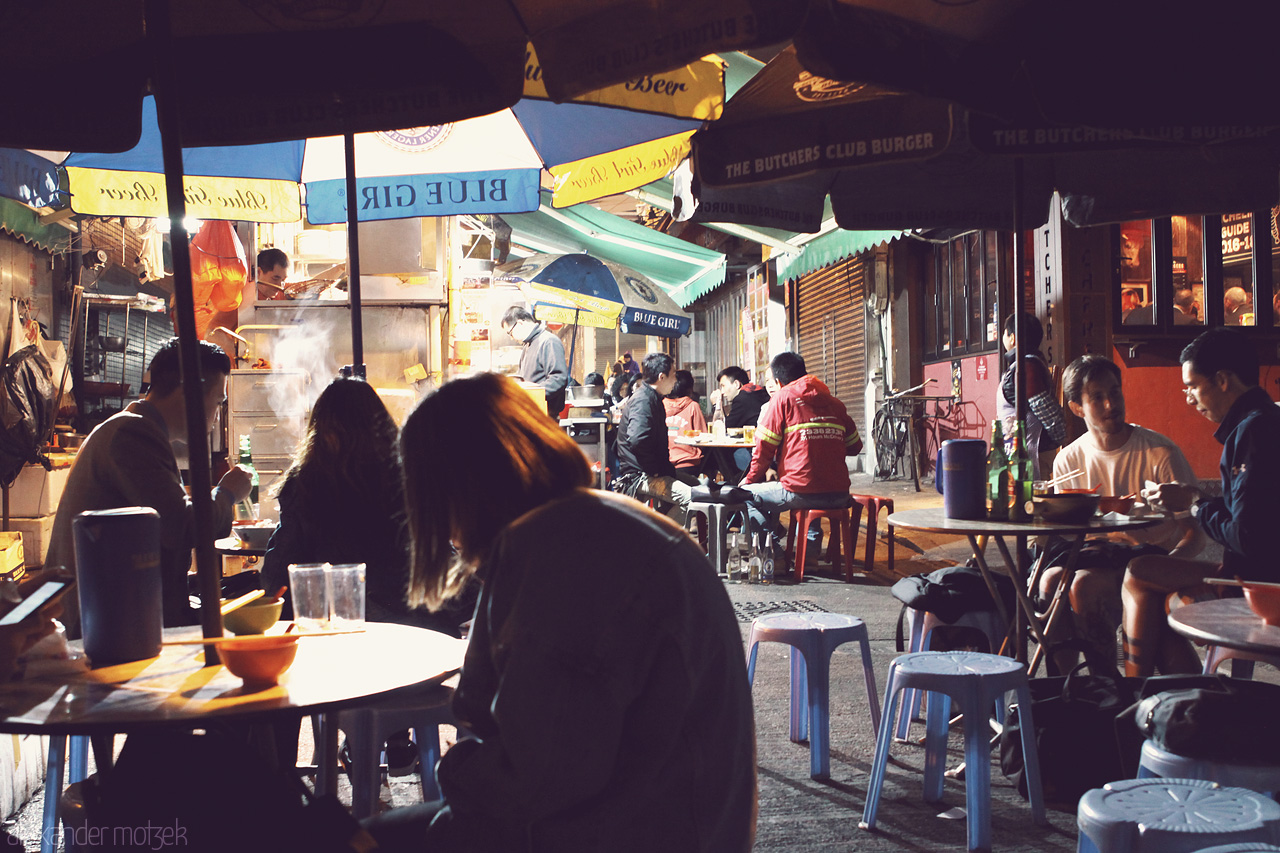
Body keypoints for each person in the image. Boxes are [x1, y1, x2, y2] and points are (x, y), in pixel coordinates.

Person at [365, 373, 756, 852]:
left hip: (634, 828)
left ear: (458, 488)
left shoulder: (566, 551)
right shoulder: (579, 521)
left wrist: (459, 767)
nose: (444, 531)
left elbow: (543, 775)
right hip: (656, 815)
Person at [46, 338, 253, 634]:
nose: (217, 413)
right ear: (188, 391)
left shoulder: (137, 428)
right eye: (218, 401)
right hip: (101, 625)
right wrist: (227, 492)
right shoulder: (132, 434)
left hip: (112, 613)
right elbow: (180, 526)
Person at [1122, 328, 1280, 676]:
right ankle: (1182, 695)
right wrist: (1201, 501)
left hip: (1261, 588)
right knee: (1154, 589)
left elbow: (1248, 538)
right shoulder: (1267, 420)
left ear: (1222, 380)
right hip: (1259, 576)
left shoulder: (1253, 431)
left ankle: (1140, 695)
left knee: (1139, 574)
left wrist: (1195, 502)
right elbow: (1254, 516)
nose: (1189, 398)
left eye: (1192, 386)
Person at [1037, 355, 1203, 670]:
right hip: (1091, 555)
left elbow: (1195, 534)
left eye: (1115, 392)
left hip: (1146, 561)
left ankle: (1106, 682)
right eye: (1097, 397)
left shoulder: (1160, 453)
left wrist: (1163, 567)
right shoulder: (1068, 461)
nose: (1111, 403)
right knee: (1049, 581)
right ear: (1077, 407)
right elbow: (1062, 533)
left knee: (1083, 585)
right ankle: (1062, 685)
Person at [741, 352, 862, 551]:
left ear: (778, 382)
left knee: (744, 495)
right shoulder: (835, 403)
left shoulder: (782, 399)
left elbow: (763, 450)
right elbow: (855, 447)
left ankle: (774, 556)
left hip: (800, 490)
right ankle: (811, 556)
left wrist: (750, 480)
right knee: (808, 486)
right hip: (840, 493)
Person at [615, 352, 692, 519]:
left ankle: (654, 527)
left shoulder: (653, 398)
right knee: (692, 499)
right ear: (661, 377)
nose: (676, 380)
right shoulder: (643, 400)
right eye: (673, 375)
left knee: (698, 486)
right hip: (639, 476)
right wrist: (653, 470)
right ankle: (661, 539)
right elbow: (637, 439)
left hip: (652, 471)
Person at [998, 312, 1066, 478]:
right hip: (1020, 451)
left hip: (1031, 454)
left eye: (1004, 333)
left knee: (1033, 502)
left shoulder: (1026, 366)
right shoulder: (1024, 364)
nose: (1003, 338)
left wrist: (1059, 439)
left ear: (1012, 337)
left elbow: (1045, 408)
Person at [501, 306, 568, 418]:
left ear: (520, 324)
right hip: (530, 414)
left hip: (545, 417)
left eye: (510, 333)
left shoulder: (548, 341)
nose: (511, 338)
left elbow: (559, 379)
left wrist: (532, 393)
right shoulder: (526, 346)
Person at [663, 369, 707, 480]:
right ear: (690, 388)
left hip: (664, 463)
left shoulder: (660, 405)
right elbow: (703, 438)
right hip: (689, 463)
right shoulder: (693, 406)